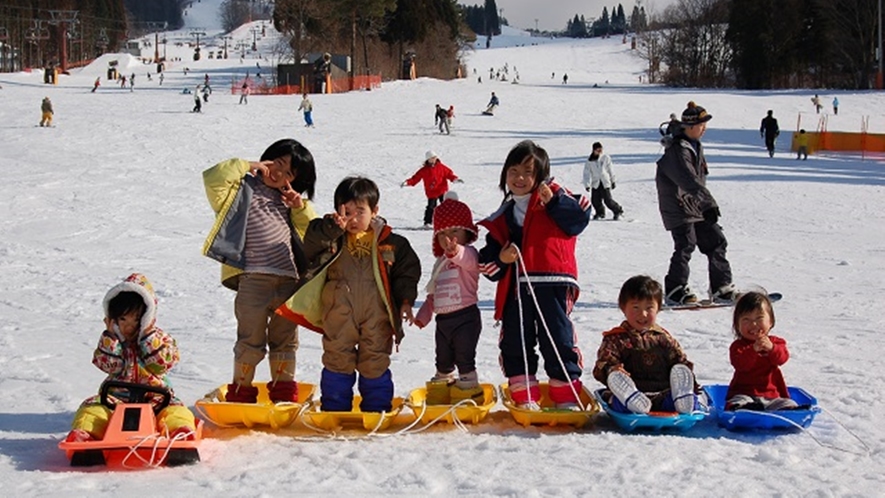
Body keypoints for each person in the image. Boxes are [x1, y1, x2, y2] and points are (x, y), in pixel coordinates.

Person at [277, 176, 421, 413]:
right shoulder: (330, 235)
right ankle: (335, 408)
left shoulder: (392, 243)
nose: (352, 218)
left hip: (377, 313)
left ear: (374, 211)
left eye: (359, 211)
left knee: (374, 359)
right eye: (346, 211)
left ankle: (377, 409)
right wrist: (333, 228)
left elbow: (407, 273)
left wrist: (405, 301)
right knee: (337, 357)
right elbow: (311, 241)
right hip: (339, 310)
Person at [201, 139, 319, 404]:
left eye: (288, 173)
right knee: (249, 338)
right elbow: (213, 179)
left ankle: (283, 393)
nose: (279, 172)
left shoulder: (291, 202)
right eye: (278, 162)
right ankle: (241, 393)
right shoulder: (241, 190)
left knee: (285, 340)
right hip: (253, 279)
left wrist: (299, 207)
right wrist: (248, 165)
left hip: (289, 282)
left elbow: (313, 233)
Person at [478, 140, 591, 410]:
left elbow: (580, 218)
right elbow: (488, 265)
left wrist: (553, 202)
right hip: (517, 287)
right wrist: (502, 259)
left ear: (540, 175)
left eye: (528, 172)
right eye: (514, 171)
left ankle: (565, 395)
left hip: (553, 280)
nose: (520, 178)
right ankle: (524, 395)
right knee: (516, 339)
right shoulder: (503, 214)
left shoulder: (554, 196)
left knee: (558, 336)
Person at [64, 273, 197, 442]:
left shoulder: (161, 339)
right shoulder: (113, 340)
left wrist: (148, 339)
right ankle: (85, 432)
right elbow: (107, 365)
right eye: (123, 319)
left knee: (176, 409)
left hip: (156, 398)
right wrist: (111, 338)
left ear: (147, 317)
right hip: (117, 398)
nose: (128, 326)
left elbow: (161, 365)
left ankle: (179, 431)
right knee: (92, 406)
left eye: (135, 320)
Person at [656, 101, 736, 306]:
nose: (705, 128)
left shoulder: (694, 146)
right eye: (702, 124)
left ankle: (721, 287)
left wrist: (704, 205)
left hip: (695, 206)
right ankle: (675, 289)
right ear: (690, 127)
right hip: (678, 206)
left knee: (716, 241)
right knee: (685, 244)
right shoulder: (677, 151)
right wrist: (708, 204)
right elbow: (688, 180)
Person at [592, 275, 702, 414]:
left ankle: (682, 400)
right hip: (630, 392)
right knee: (618, 402)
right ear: (623, 308)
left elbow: (680, 363)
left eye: (649, 308)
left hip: (662, 392)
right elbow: (603, 363)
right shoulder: (615, 339)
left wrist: (690, 381)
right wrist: (612, 369)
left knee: (680, 399)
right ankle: (632, 400)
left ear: (658, 309)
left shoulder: (663, 338)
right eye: (636, 307)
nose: (643, 314)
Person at [414, 193, 483, 404]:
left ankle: (469, 385)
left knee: (464, 355)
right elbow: (433, 294)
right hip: (443, 321)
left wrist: (457, 252)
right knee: (442, 356)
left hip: (466, 317)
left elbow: (470, 261)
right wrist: (423, 317)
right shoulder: (440, 263)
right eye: (443, 233)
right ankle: (444, 380)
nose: (449, 238)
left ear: (467, 232)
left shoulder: (469, 254)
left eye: (455, 231)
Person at [726, 291, 798, 411]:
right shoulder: (738, 346)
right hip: (745, 393)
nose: (753, 324)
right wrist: (753, 350)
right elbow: (741, 365)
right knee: (738, 401)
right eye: (746, 320)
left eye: (759, 318)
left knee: (787, 402)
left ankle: (788, 411)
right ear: (737, 325)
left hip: (771, 396)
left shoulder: (776, 342)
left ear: (770, 322)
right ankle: (744, 409)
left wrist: (772, 348)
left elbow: (782, 359)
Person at [401, 151, 462, 227]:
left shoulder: (442, 167)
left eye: (435, 157)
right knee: (431, 207)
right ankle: (428, 223)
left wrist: (455, 179)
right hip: (432, 192)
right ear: (428, 160)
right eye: (432, 158)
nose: (434, 159)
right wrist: (407, 182)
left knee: (446, 206)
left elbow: (449, 174)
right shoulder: (424, 170)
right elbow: (415, 178)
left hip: (442, 190)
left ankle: (449, 221)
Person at [582, 141, 624, 220]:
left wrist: (613, 180)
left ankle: (618, 211)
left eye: (601, 150)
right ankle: (600, 213)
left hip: (605, 182)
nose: (600, 152)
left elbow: (610, 170)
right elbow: (586, 173)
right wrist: (587, 184)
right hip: (596, 183)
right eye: (598, 150)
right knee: (595, 200)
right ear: (594, 150)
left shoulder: (605, 158)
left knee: (608, 200)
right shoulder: (589, 161)